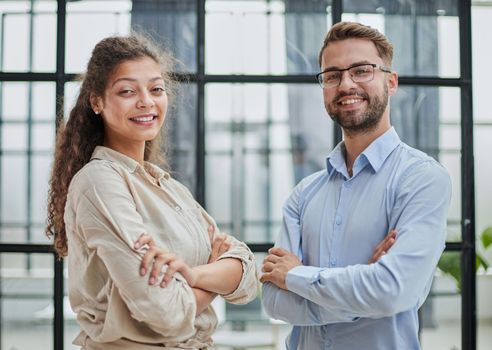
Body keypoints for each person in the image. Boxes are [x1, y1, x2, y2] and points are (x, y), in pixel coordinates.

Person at [46, 33, 258, 350]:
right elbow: (166, 313)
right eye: (127, 91)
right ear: (97, 101)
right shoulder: (100, 182)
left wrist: (190, 276)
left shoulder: (169, 186)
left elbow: (249, 276)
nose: (146, 101)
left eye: (156, 89)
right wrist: (215, 280)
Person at [260, 21, 452, 349]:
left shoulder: (422, 179)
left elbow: (392, 292)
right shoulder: (304, 194)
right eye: (332, 75)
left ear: (390, 82)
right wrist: (365, 288)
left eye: (361, 70)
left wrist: (297, 277)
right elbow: (276, 302)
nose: (346, 84)